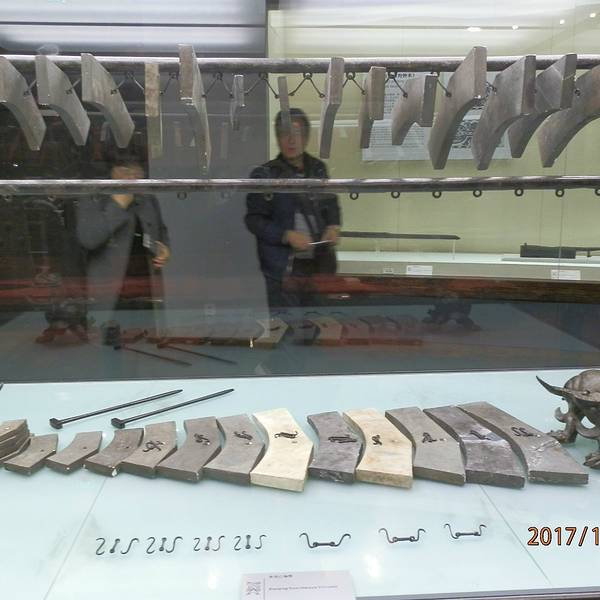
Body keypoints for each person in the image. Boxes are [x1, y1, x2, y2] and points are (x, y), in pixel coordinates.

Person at [245, 108, 341, 308]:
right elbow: (254, 220)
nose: (291, 140)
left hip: (318, 265)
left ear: (305, 137)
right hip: (281, 269)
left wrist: (333, 226)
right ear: (277, 137)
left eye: (296, 133)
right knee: (284, 322)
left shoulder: (318, 168)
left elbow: (330, 203)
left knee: (319, 319)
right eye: (284, 133)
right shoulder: (264, 174)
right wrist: (285, 235)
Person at [76, 151, 170, 330]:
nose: (132, 177)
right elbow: (88, 239)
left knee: (148, 335)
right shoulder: (94, 197)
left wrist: (165, 249)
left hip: (146, 287)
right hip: (108, 289)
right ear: (111, 172)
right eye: (125, 171)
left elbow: (161, 231)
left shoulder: (147, 199)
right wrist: (118, 205)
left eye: (137, 172)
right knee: (107, 337)